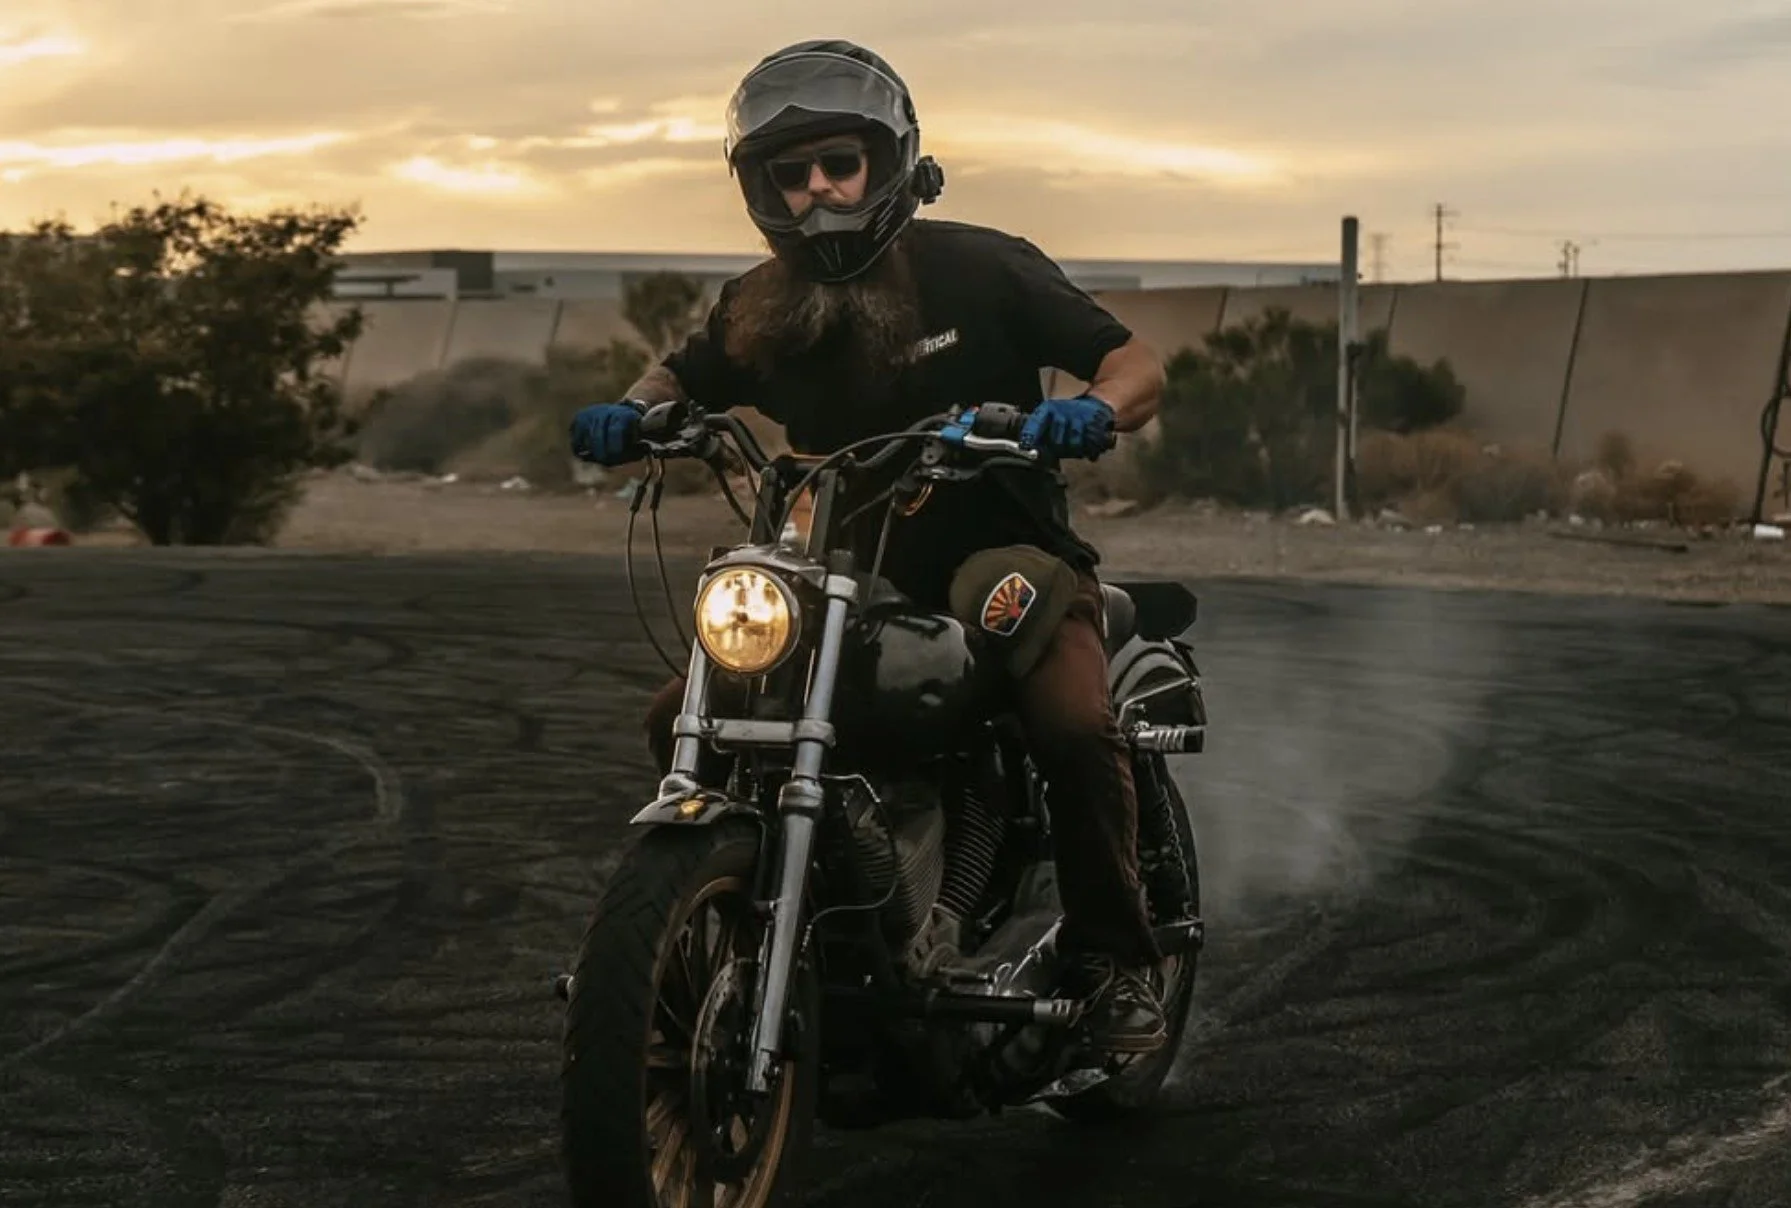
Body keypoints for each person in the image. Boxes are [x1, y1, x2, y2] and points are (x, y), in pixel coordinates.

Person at [569, 39, 1172, 1057]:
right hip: (842, 571)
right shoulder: (761, 303)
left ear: (887, 162)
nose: (818, 192)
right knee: (687, 713)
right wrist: (634, 413)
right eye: (790, 174)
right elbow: (680, 374)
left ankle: (1119, 966)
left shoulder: (981, 266)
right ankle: (734, 935)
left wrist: (1093, 410)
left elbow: (1134, 358)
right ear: (763, 189)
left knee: (1070, 722)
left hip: (1005, 554)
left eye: (838, 164)